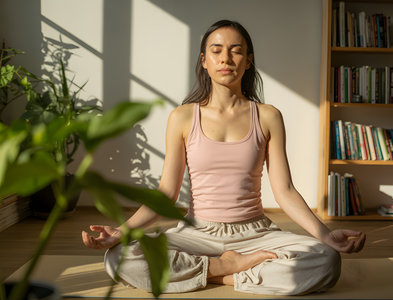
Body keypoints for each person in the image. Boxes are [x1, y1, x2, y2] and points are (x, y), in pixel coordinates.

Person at [82, 20, 365, 296]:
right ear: (204, 61)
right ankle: (225, 269)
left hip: (255, 233)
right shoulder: (182, 117)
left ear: (248, 61)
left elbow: (285, 191)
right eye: (216, 51)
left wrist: (324, 234)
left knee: (326, 260)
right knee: (118, 257)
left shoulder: (268, 116)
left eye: (236, 50)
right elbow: (166, 193)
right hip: (197, 233)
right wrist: (120, 232)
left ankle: (212, 274)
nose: (226, 58)